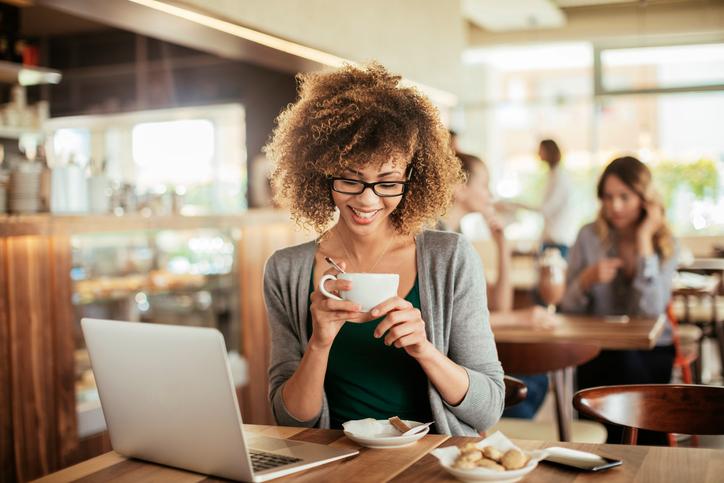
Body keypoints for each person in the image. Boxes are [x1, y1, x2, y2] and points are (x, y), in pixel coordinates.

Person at [262, 61, 505, 437]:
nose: (367, 200)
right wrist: (319, 343)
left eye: (388, 182)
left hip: (429, 463)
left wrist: (424, 348)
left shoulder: (450, 258)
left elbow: (488, 410)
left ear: (413, 178)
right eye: (351, 180)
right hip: (332, 464)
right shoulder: (286, 270)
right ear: (322, 174)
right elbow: (291, 421)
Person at [560, 155, 678, 445]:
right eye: (608, 197)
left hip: (652, 350)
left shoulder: (664, 242)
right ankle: (640, 455)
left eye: (625, 196)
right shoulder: (589, 237)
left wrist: (643, 240)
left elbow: (651, 310)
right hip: (598, 348)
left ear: (644, 198)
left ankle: (632, 455)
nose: (615, 206)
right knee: (613, 374)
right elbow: (568, 308)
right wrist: (585, 280)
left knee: (627, 372)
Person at [440, 151, 559, 419]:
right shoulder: (438, 240)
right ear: (459, 187)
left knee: (536, 378)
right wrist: (520, 318)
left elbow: (496, 304)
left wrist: (502, 245)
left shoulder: (458, 237)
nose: (490, 194)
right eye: (484, 184)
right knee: (534, 381)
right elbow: (450, 321)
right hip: (451, 367)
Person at [500, 139, 575, 258]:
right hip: (550, 238)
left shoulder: (559, 177)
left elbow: (545, 209)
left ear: (548, 151)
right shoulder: (552, 174)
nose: (537, 153)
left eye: (540, 150)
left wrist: (516, 205)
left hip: (557, 240)